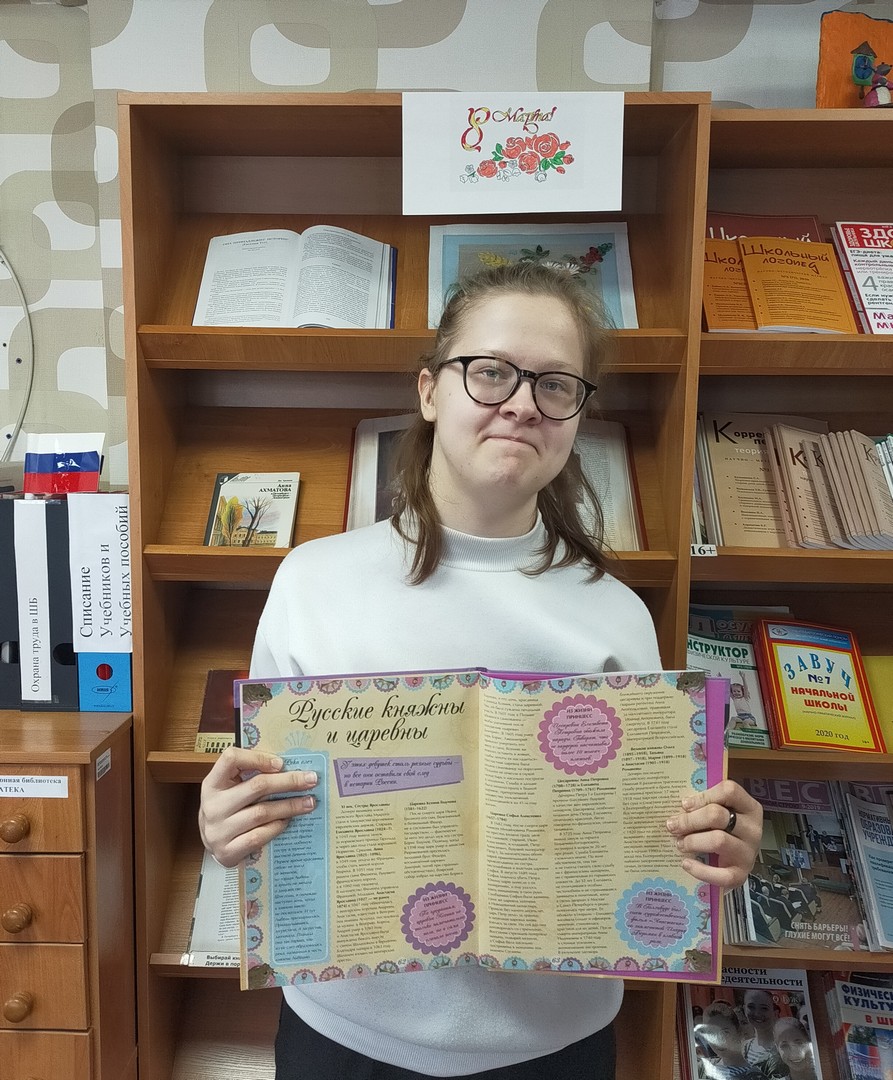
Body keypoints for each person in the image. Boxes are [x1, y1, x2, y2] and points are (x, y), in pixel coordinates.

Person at [199, 262, 763, 1079]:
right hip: (346, 1040)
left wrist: (713, 847)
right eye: (491, 371)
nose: (522, 403)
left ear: (576, 414)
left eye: (554, 384)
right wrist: (229, 826)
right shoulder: (311, 582)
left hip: (554, 1049)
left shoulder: (615, 614)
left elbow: (656, 833)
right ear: (430, 391)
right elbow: (264, 801)